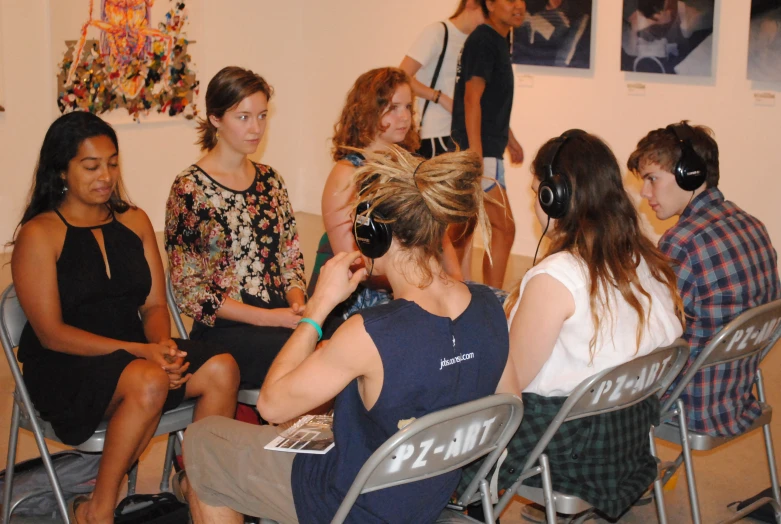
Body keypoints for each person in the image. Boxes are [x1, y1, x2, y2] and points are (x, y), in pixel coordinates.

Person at [176, 147, 510, 524]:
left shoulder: (369, 332)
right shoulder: (489, 306)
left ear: (374, 235)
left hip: (352, 502)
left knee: (206, 440)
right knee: (312, 428)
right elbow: (505, 403)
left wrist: (318, 307)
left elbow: (271, 406)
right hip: (426, 492)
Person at [10, 111, 240, 524]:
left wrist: (163, 346)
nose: (106, 175)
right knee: (150, 379)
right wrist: (145, 353)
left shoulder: (134, 221)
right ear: (61, 170)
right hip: (66, 366)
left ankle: (198, 485)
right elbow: (51, 334)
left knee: (222, 368)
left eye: (112, 163)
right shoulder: (39, 234)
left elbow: (154, 305)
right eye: (91, 165)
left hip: (136, 356)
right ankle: (97, 509)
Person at [461, 130, 684, 521]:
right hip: (627, 438)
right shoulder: (645, 257)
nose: (535, 204)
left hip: (567, 448)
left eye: (537, 193)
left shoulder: (557, 277)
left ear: (555, 198)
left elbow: (510, 381)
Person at [629, 121, 781, 437]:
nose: (645, 193)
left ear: (690, 175)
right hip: (734, 394)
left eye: (652, 180)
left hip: (689, 402)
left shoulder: (681, 242)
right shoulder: (752, 225)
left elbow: (650, 337)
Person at [165, 66, 307, 388]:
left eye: (262, 116)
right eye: (243, 117)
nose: (255, 128)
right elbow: (190, 291)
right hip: (226, 332)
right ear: (215, 118)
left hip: (281, 318)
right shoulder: (190, 189)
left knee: (347, 337)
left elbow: (290, 258)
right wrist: (271, 319)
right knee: (312, 358)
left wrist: (297, 303)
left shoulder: (271, 180)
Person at [311, 67, 462, 324]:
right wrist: (423, 281)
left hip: (416, 282)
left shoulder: (413, 166)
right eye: (393, 108)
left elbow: (442, 241)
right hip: (364, 292)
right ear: (367, 112)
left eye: (407, 107)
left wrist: (457, 285)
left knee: (492, 304)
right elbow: (354, 261)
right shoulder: (347, 174)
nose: (404, 117)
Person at [451, 0, 526, 287]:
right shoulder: (484, 40)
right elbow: (471, 98)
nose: (518, 5)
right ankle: (491, 301)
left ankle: (449, 297)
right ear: (490, 4)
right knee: (504, 229)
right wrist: (476, 156)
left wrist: (510, 138)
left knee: (461, 229)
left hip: (488, 148)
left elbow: (490, 101)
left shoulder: (496, 40)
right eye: (509, 0)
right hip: (480, 152)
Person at [399, 0, 485, 159]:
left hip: (462, 134)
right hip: (436, 133)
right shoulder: (438, 33)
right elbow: (402, 75)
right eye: (486, 13)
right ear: (471, 4)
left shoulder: (477, 42)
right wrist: (439, 97)